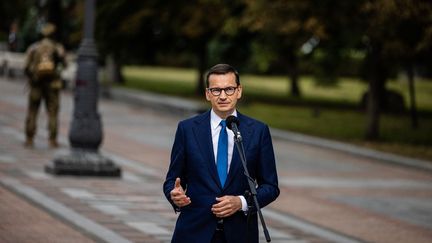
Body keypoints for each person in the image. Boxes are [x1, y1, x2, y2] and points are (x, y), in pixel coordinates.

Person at [163, 64, 279, 243]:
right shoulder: (187, 129)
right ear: (207, 93)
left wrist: (240, 202)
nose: (223, 96)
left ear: (239, 91)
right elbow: (173, 179)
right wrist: (174, 194)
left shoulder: (258, 131)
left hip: (240, 234)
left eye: (229, 89)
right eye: (216, 90)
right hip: (194, 232)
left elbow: (270, 187)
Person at [24, 22, 66, 148]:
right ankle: (52, 140)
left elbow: (26, 67)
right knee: (53, 112)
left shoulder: (34, 48)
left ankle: (29, 138)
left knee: (33, 111)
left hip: (36, 84)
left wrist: (32, 77)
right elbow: (64, 64)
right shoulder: (58, 48)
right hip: (53, 85)